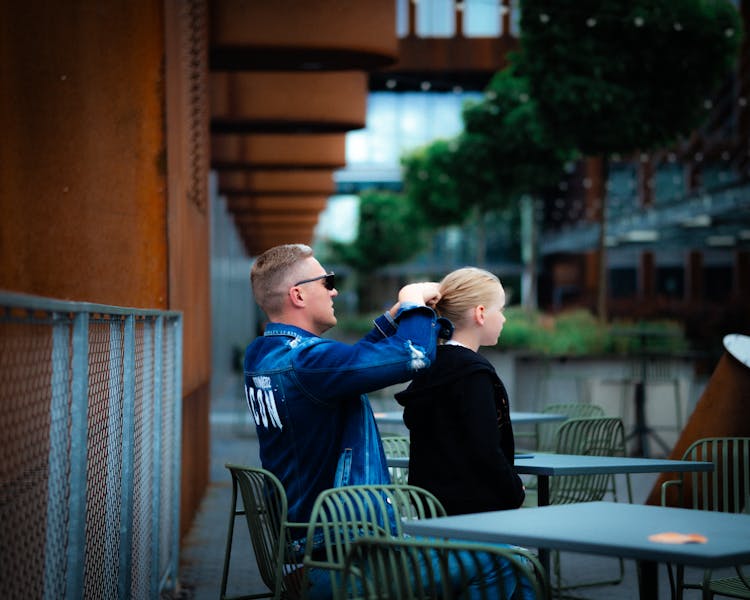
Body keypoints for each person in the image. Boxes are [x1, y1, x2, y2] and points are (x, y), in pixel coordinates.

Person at [244, 246, 535, 600]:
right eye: (328, 281)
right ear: (298, 294)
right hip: (341, 561)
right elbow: (413, 355)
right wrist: (412, 301)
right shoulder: (309, 363)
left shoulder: (264, 355)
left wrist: (391, 319)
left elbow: (348, 363)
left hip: (301, 553)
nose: (334, 290)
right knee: (506, 561)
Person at [396, 267, 527, 515]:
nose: (503, 318)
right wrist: (515, 490)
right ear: (480, 313)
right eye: (500, 310)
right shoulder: (473, 374)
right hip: (477, 517)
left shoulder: (430, 367)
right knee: (522, 556)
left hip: (433, 513)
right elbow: (486, 447)